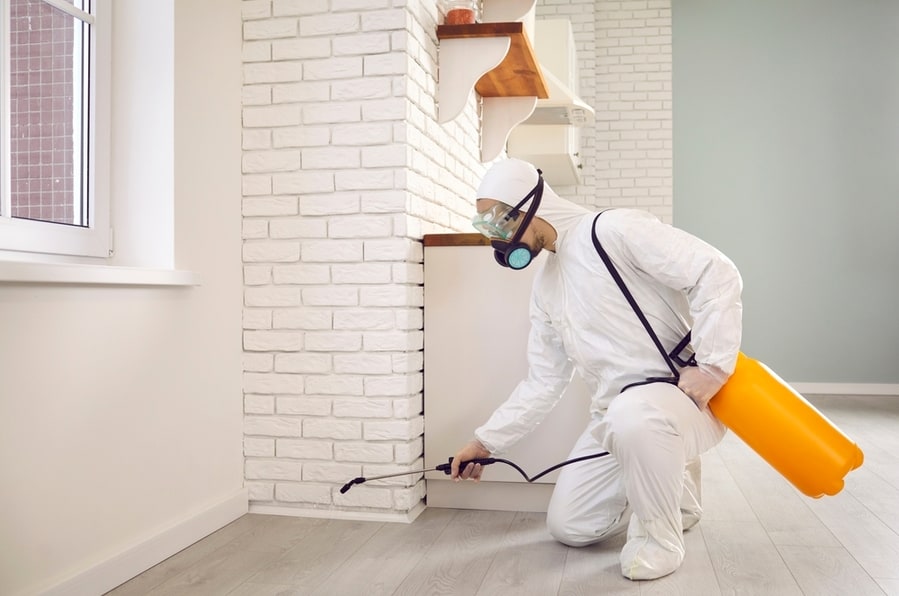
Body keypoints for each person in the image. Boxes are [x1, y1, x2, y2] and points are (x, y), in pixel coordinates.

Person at [450, 158, 743, 580]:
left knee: (636, 416)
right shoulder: (546, 285)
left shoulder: (614, 230)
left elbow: (715, 271)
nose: (497, 236)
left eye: (499, 221)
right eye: (488, 226)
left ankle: (660, 543)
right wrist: (486, 442)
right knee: (571, 526)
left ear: (529, 205)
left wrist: (714, 367)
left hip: (685, 399)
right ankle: (676, 491)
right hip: (615, 417)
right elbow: (544, 380)